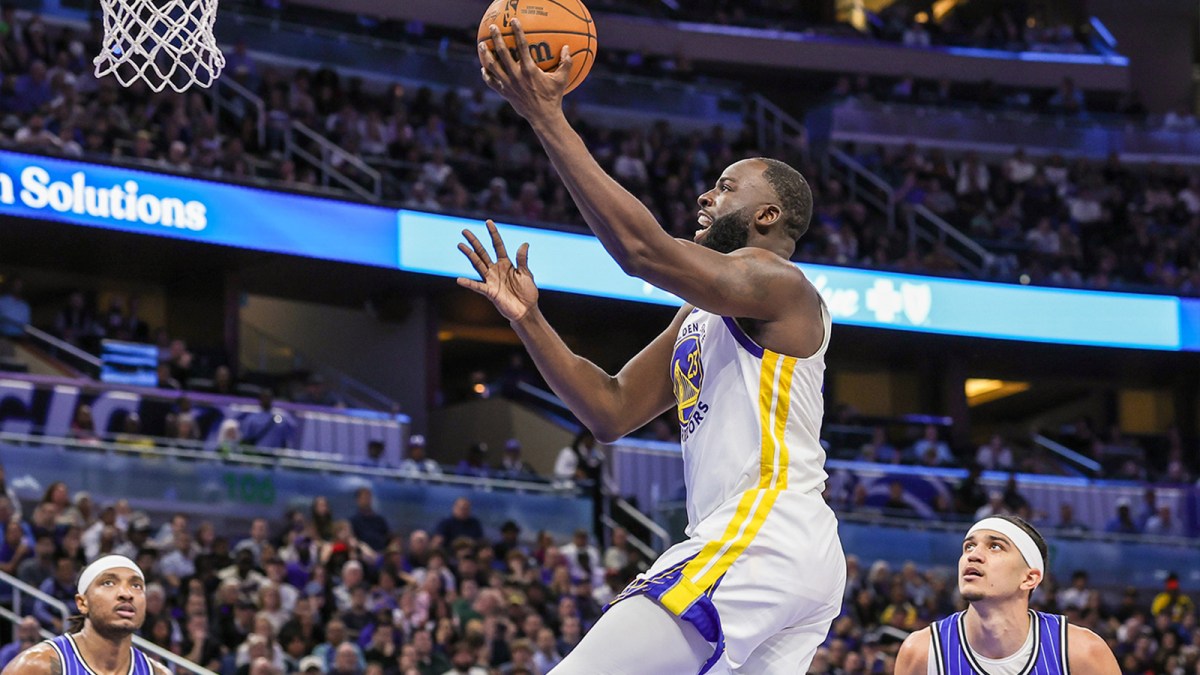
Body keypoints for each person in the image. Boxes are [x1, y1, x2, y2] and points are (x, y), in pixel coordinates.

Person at [470, 23, 845, 673]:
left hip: (762, 535)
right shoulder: (702, 313)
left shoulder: (782, 285)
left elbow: (641, 252)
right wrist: (530, 318)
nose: (707, 193)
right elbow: (609, 410)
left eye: (728, 186)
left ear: (767, 217)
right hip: (788, 556)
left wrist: (547, 118)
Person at [894, 516, 1119, 674]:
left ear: (1029, 578)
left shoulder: (1082, 652)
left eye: (995, 547)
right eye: (969, 546)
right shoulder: (922, 652)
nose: (974, 555)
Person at [2, 554, 170, 674]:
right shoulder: (36, 666)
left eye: (136, 586)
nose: (127, 593)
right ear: (82, 603)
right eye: (109, 582)